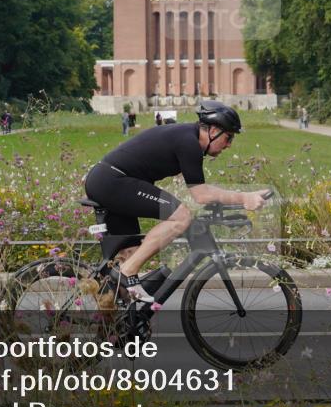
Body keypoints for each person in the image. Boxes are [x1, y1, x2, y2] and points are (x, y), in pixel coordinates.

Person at [84, 101, 267, 302]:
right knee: (181, 217)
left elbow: (201, 191)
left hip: (108, 180)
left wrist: (242, 199)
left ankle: (116, 324)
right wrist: (244, 198)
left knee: (132, 254)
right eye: (228, 136)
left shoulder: (187, 136)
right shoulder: (189, 142)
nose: (229, 144)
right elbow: (201, 195)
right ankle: (128, 271)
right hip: (112, 181)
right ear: (213, 130)